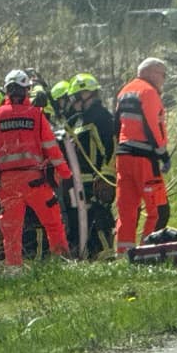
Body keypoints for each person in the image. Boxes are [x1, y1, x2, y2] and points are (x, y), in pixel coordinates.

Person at [0, 69, 72, 267]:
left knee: (11, 232)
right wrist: (65, 173)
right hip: (36, 182)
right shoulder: (36, 115)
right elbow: (52, 148)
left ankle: (14, 269)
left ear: (7, 92)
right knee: (53, 224)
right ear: (26, 91)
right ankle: (62, 262)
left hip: (8, 184)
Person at [114, 58, 171, 255]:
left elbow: (116, 126)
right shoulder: (148, 92)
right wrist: (163, 155)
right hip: (144, 159)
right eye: (163, 75)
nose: (163, 80)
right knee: (159, 210)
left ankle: (123, 254)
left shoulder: (124, 91)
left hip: (123, 158)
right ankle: (147, 253)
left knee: (127, 212)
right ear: (153, 73)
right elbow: (155, 127)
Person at [63, 72, 117, 258]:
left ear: (85, 94)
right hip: (78, 182)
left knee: (99, 218)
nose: (73, 101)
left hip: (96, 180)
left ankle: (106, 258)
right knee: (81, 223)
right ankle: (90, 259)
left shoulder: (102, 118)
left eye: (75, 97)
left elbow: (112, 147)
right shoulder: (78, 120)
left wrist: (107, 177)